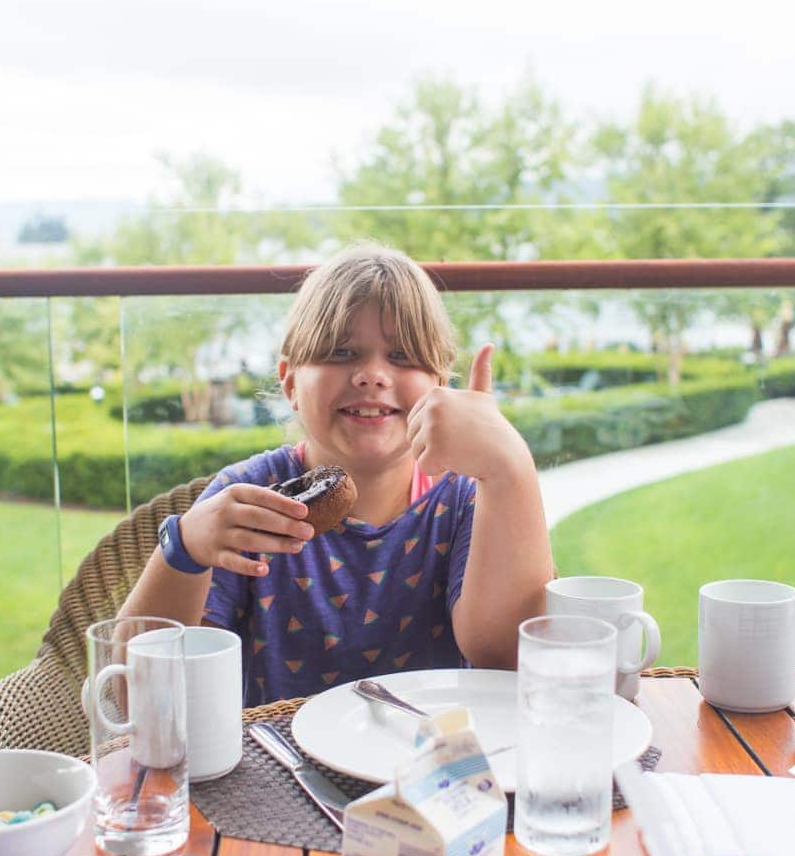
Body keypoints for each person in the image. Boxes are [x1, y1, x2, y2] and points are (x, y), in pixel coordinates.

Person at [121, 243, 554, 705]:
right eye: (342, 352)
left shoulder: (468, 501)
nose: (372, 375)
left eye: (403, 356)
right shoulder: (246, 501)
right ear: (290, 382)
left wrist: (508, 466)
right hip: (280, 771)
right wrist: (184, 549)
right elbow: (138, 697)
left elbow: (505, 656)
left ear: (441, 389)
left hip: (439, 767)